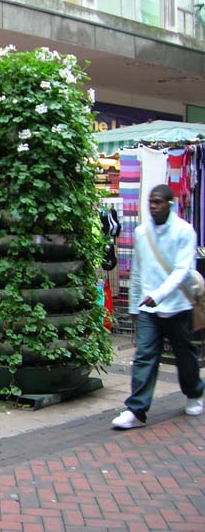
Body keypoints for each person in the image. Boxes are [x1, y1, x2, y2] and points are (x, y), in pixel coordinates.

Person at [111, 184, 205, 429]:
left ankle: (195, 392)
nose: (153, 206)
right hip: (148, 309)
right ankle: (136, 409)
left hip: (178, 306)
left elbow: (182, 270)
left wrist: (159, 295)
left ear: (170, 204)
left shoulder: (185, 231)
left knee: (185, 357)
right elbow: (138, 270)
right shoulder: (142, 232)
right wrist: (133, 306)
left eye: (158, 202)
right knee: (144, 357)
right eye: (151, 201)